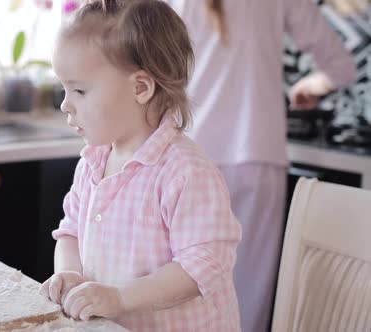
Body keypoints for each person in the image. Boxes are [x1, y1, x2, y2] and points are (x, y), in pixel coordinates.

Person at [39, 1, 242, 330]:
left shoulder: (185, 172)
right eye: (64, 89)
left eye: (78, 90)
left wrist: (120, 297)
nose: (65, 104)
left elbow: (203, 265)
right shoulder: (92, 162)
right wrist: (69, 273)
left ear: (140, 88)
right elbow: (71, 233)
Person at [169, 1, 357, 331]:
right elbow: (341, 66)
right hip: (257, 155)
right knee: (248, 299)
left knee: (180, 294)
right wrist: (311, 85)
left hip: (189, 156)